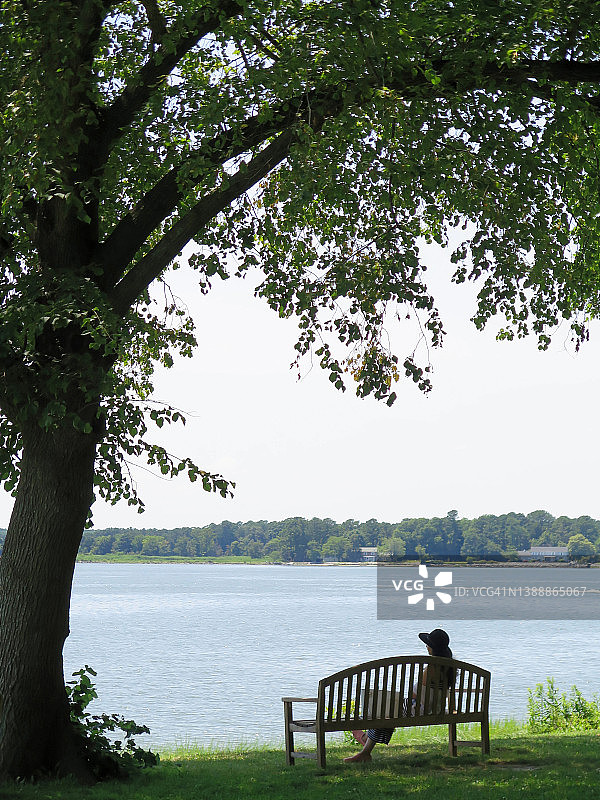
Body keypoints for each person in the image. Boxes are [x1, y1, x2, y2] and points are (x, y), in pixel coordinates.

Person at [343, 628, 453, 763]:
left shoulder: (431, 668)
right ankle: (366, 748)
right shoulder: (450, 668)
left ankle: (366, 743)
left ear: (433, 648)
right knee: (389, 711)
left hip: (418, 710)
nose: (426, 646)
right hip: (436, 710)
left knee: (384, 710)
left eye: (428, 644)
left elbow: (416, 695)